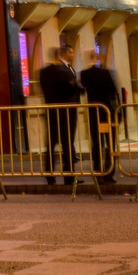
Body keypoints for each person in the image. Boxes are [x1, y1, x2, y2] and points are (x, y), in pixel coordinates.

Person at [37, 44, 82, 183]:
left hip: (51, 110)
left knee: (50, 143)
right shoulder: (65, 71)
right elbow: (72, 89)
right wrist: (78, 88)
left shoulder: (43, 72)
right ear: (60, 54)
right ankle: (69, 175)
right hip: (67, 111)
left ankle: (49, 174)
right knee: (68, 143)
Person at [77, 45, 119, 182]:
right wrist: (120, 112)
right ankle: (109, 171)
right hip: (106, 112)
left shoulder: (84, 74)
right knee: (110, 142)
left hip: (93, 112)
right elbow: (113, 92)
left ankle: (98, 171)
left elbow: (82, 90)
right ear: (97, 58)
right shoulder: (106, 73)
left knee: (96, 142)